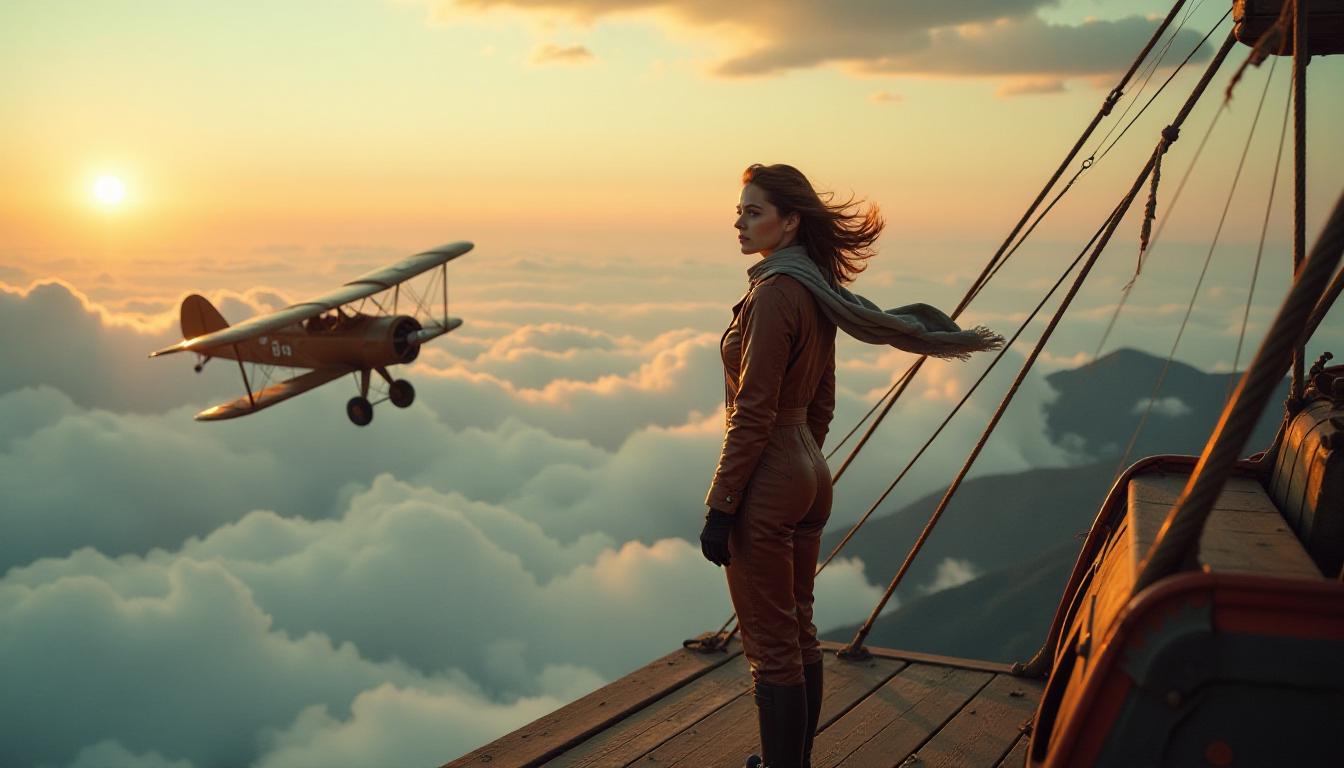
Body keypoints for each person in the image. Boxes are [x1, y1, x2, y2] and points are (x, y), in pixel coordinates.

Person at [700, 163, 1003, 768]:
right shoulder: (818, 289)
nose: (739, 220)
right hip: (810, 473)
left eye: (753, 211)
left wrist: (722, 503)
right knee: (801, 626)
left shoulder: (774, 295)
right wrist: (804, 460)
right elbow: (823, 400)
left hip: (771, 475)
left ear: (789, 223)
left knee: (771, 643)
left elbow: (754, 413)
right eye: (740, 210)